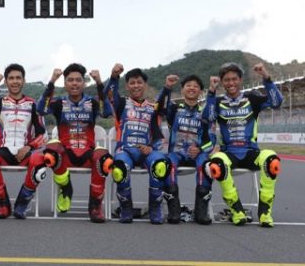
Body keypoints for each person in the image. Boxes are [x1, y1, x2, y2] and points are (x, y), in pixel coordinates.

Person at [203, 62, 283, 227]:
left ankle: (265, 212)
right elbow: (207, 117)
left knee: (271, 160)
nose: (231, 83)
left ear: (240, 80)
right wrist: (211, 91)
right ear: (222, 82)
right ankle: (236, 210)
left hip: (250, 152)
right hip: (229, 153)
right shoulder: (217, 101)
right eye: (227, 80)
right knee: (217, 164)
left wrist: (266, 76)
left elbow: (276, 102)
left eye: (234, 79)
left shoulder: (252, 98)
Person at [37, 63, 113, 223]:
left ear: (84, 83)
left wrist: (99, 83)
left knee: (105, 159)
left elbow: (107, 112)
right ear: (65, 84)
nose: (74, 83)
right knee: (50, 152)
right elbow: (41, 109)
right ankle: (66, 188)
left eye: (78, 80)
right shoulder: (59, 102)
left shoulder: (92, 102)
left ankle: (95, 205)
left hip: (88, 153)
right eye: (70, 80)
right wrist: (52, 81)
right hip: (66, 155)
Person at [0, 63, 48, 219]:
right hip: (3, 151)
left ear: (24, 81)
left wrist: (29, 147)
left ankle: (22, 204)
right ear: (6, 81)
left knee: (40, 162)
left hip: (25, 152)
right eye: (11, 78)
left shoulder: (33, 104)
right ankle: (2, 204)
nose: (15, 81)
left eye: (18, 78)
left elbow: (43, 135)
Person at [105, 64, 170, 224]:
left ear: (145, 85)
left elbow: (157, 134)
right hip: (125, 151)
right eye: (132, 83)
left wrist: (151, 148)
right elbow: (108, 94)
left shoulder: (153, 107)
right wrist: (114, 77)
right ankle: (126, 208)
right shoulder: (121, 103)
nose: (136, 86)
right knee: (119, 168)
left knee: (160, 165)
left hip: (147, 152)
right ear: (127, 86)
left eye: (139, 82)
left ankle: (155, 208)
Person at [157, 74, 214, 225]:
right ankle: (174, 210)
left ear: (200, 91)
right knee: (168, 165)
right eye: (188, 85)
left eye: (196, 86)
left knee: (206, 166)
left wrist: (200, 149)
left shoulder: (205, 112)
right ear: (182, 89)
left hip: (197, 154)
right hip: (176, 153)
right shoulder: (174, 108)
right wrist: (167, 88)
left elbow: (212, 139)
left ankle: (201, 212)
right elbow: (158, 106)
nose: (192, 88)